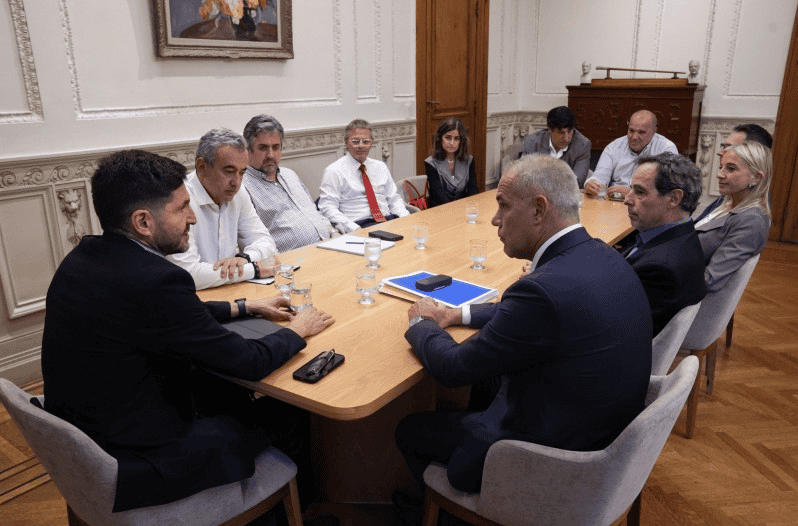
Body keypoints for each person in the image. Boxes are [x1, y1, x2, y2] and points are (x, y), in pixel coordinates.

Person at [41, 149, 334, 512]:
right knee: (291, 410)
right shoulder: (156, 281)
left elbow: (169, 314)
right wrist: (299, 330)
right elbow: (249, 362)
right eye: (181, 208)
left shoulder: (83, 258)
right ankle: (295, 514)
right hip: (140, 460)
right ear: (143, 222)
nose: (192, 217)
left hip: (88, 442)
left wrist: (242, 306)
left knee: (223, 390)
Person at [394, 155, 652, 495]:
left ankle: (439, 514)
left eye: (503, 205)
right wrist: (459, 315)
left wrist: (421, 323)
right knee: (486, 384)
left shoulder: (541, 290)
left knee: (411, 429)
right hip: (605, 434)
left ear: (538, 210)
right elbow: (533, 314)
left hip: (551, 457)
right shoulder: (601, 253)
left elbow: (453, 369)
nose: (494, 219)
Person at [167, 128, 278, 290]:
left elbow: (267, 243)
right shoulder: (178, 198)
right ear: (202, 166)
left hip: (231, 292)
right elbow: (187, 273)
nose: (237, 182)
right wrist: (252, 269)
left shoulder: (238, 192)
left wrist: (245, 258)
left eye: (242, 173)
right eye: (229, 171)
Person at [622, 152, 706, 336]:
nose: (627, 199)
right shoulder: (683, 237)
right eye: (630, 189)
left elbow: (620, 327)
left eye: (640, 192)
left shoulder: (660, 269)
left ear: (674, 199)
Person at [242, 114, 339, 252]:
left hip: (329, 245)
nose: (271, 155)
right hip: (294, 262)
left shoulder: (290, 174)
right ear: (248, 149)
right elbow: (253, 243)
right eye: (263, 148)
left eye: (276, 147)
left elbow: (313, 212)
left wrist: (333, 233)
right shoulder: (243, 187)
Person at [694, 141, 772, 292]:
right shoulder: (725, 201)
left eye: (730, 168)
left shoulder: (752, 221)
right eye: (720, 167)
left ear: (755, 177)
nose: (719, 174)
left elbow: (709, 280)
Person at [318, 119, 410, 232]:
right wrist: (355, 229)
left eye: (365, 141)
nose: (360, 146)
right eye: (355, 141)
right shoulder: (334, 171)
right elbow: (327, 207)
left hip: (387, 221)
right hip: (358, 224)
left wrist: (406, 219)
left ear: (371, 142)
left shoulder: (380, 167)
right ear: (346, 142)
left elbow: (394, 199)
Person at [584, 109, 678, 198]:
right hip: (613, 202)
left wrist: (633, 192)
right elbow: (599, 177)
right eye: (631, 131)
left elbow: (668, 187)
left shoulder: (666, 149)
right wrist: (592, 184)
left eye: (641, 132)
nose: (634, 137)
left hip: (647, 206)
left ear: (654, 131)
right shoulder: (614, 147)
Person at [521, 106, 592, 187]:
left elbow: (577, 181)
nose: (566, 138)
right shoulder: (533, 142)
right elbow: (524, 174)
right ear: (550, 130)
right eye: (561, 133)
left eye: (569, 131)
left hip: (567, 194)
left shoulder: (583, 145)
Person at [424, 117, 478, 208]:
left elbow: (473, 190)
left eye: (456, 138)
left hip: (464, 208)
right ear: (440, 138)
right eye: (448, 138)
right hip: (439, 210)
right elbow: (439, 196)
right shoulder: (431, 163)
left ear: (461, 141)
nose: (452, 143)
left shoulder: (469, 160)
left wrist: (467, 207)